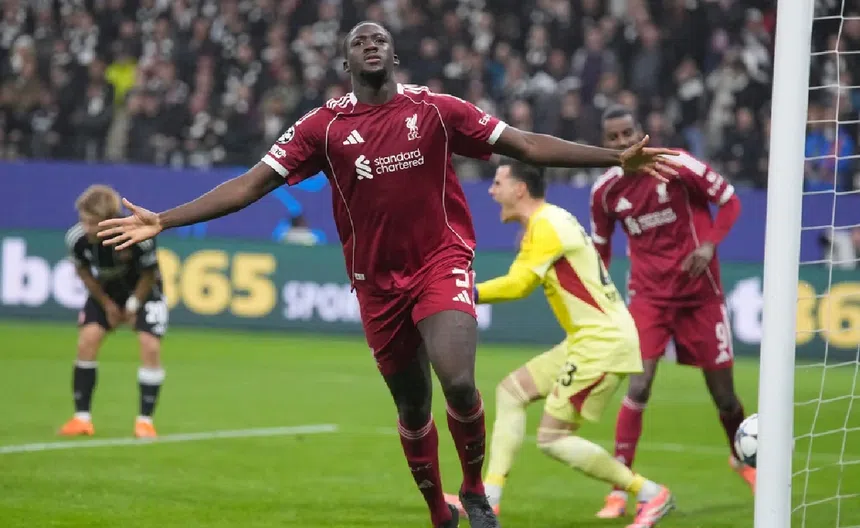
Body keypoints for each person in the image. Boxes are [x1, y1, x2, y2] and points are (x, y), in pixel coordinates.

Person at [97, 22, 677, 528]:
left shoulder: (437, 110)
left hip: (440, 263)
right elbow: (251, 184)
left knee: (458, 381)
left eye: (380, 39)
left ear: (394, 55)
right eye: (360, 41)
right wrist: (165, 220)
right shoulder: (322, 127)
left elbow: (524, 144)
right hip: (376, 285)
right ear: (346, 61)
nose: (371, 44)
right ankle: (438, 512)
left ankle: (474, 489)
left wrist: (613, 158)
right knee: (412, 408)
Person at [443, 161, 675, 528]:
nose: (491, 190)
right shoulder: (549, 221)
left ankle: (650, 493)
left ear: (520, 189)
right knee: (511, 392)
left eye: (498, 183)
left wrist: (464, 293)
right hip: (587, 338)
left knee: (552, 437)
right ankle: (489, 497)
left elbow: (519, 285)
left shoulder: (547, 225)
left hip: (601, 342)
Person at [590, 105, 753, 519]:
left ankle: (742, 457)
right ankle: (619, 487)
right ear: (604, 143)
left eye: (628, 133)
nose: (623, 142)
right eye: (613, 137)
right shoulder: (605, 192)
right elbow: (601, 249)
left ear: (641, 132)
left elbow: (730, 202)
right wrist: (598, 296)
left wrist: (709, 244)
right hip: (649, 297)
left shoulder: (678, 164)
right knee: (639, 385)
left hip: (701, 294)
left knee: (724, 395)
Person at [60, 184, 168, 439]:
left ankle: (144, 422)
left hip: (144, 292)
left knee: (150, 346)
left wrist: (132, 306)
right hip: (106, 292)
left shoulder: (138, 235)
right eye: (83, 221)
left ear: (109, 219)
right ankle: (81, 419)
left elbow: (149, 274)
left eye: (92, 223)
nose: (86, 228)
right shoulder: (76, 239)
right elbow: (83, 271)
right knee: (87, 341)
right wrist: (107, 304)